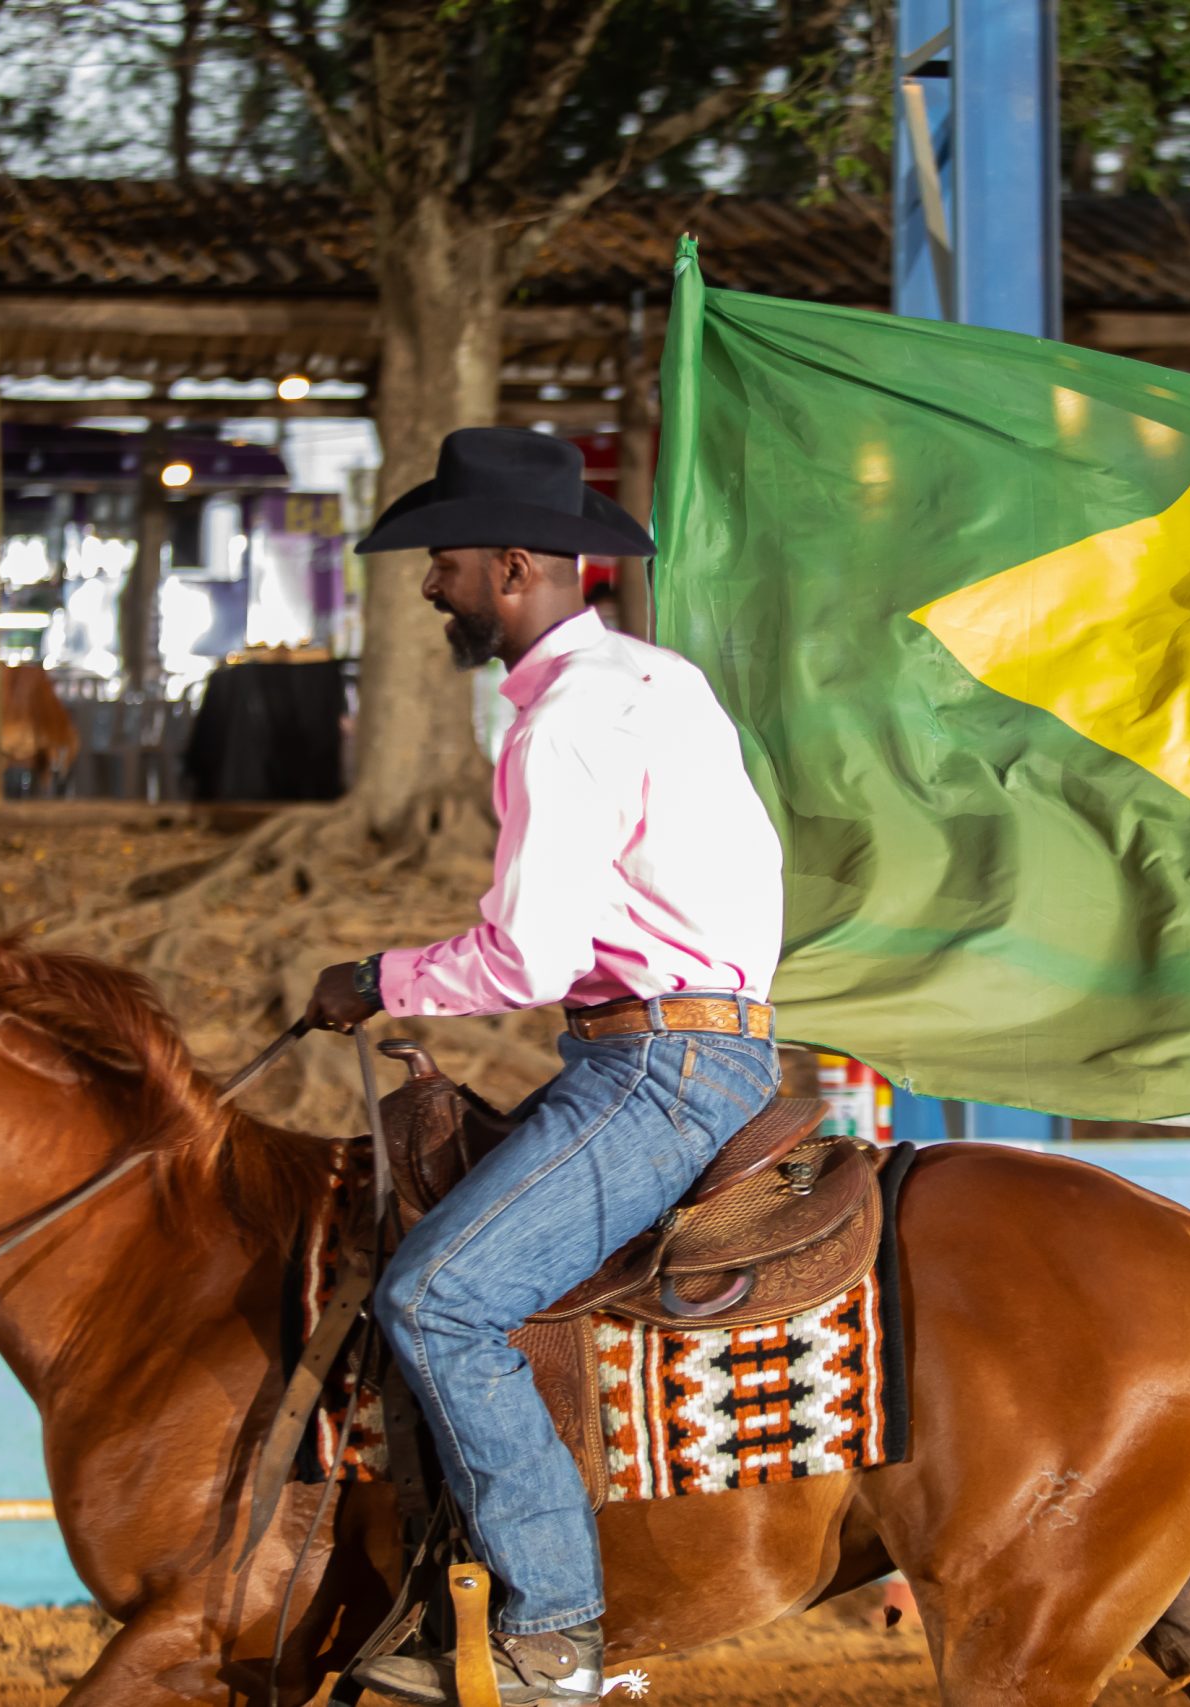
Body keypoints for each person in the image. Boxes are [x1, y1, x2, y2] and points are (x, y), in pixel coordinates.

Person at [304, 429, 784, 1706]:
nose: (430, 585)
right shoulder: (657, 679)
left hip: (655, 1068)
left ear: (513, 568)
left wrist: (379, 981)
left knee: (437, 1301)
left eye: (446, 561)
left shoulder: (561, 728)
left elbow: (529, 956)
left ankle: (557, 1634)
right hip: (702, 1039)